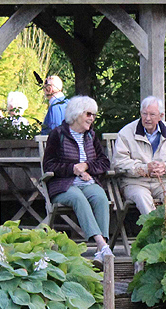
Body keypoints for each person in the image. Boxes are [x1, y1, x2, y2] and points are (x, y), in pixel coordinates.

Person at [42, 96, 114, 261]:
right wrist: (73, 169)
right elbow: (49, 165)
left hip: (87, 183)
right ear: (76, 114)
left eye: (94, 115)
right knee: (78, 198)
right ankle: (102, 244)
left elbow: (104, 163)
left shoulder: (91, 136)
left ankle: (99, 253)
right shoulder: (57, 134)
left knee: (101, 197)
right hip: (63, 186)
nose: (92, 118)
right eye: (88, 114)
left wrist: (86, 166)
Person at [112, 96, 166, 216]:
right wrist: (144, 168)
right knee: (143, 198)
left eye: (152, 114)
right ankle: (152, 231)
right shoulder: (126, 132)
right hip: (135, 183)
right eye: (144, 114)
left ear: (161, 115)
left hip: (163, 182)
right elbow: (118, 162)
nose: (147, 118)